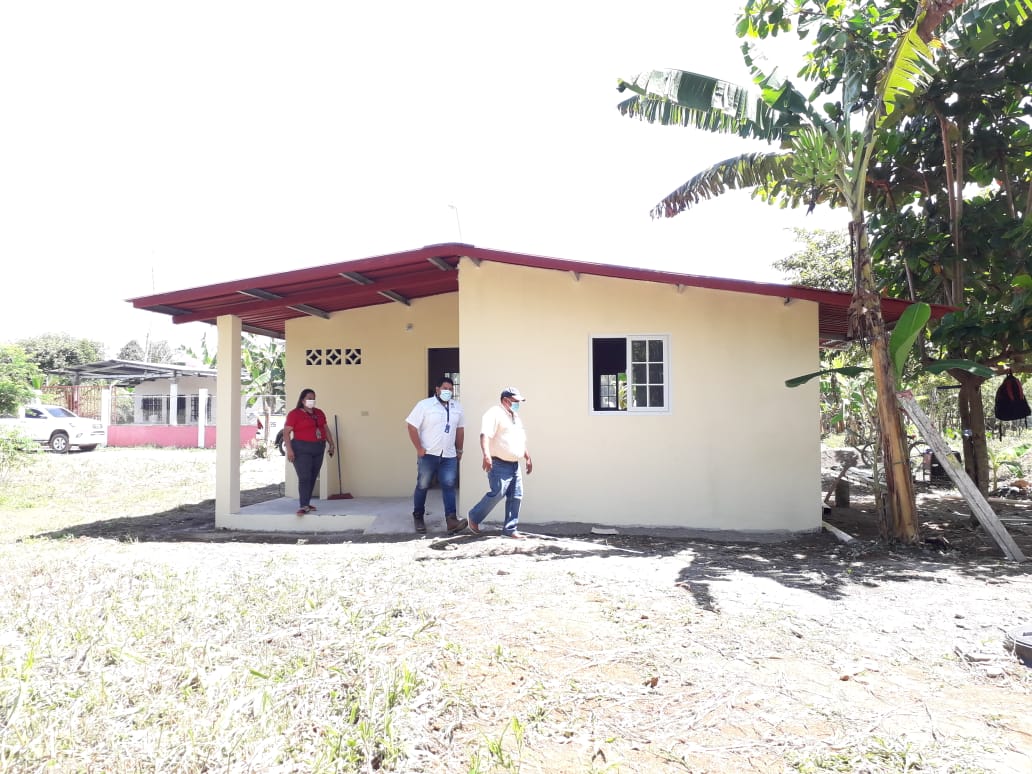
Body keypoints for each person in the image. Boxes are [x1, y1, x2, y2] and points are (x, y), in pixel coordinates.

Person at [467, 387, 533, 539]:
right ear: (505, 400)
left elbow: (520, 440)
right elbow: (485, 435)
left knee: (516, 496)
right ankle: (474, 517)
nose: (517, 404)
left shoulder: (515, 416)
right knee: (498, 492)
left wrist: (527, 457)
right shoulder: (494, 413)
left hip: (514, 464)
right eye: (515, 401)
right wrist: (486, 455)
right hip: (499, 463)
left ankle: (510, 529)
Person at [405, 376, 467, 535]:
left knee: (449, 485)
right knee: (423, 485)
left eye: (451, 389)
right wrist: (419, 448)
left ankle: (451, 520)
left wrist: (459, 450)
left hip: (449, 455)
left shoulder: (457, 407)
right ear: (437, 389)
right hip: (428, 454)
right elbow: (411, 426)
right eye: (445, 388)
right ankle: (418, 516)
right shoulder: (424, 405)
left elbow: (460, 430)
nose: (448, 391)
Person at [283, 388, 334, 516]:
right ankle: (303, 505)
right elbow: (286, 433)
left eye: (313, 398)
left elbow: (325, 428)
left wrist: (331, 444)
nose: (312, 400)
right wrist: (289, 450)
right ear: (302, 400)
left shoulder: (319, 413)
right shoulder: (294, 414)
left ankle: (307, 502)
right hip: (301, 448)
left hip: (318, 448)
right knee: (304, 477)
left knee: (312, 476)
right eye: (309, 398)